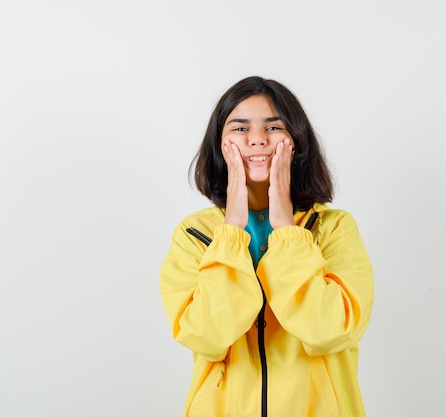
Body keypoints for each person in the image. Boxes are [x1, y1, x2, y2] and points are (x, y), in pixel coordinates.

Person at [159, 76, 374, 417]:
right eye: (240, 129)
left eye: (273, 128)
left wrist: (286, 226)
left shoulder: (335, 229)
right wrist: (231, 227)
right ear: (219, 145)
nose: (257, 140)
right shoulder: (193, 234)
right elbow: (207, 336)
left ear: (296, 142)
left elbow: (329, 331)